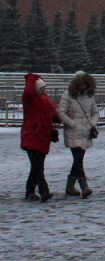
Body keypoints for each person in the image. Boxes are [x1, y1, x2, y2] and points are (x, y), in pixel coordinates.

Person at [58, 70, 99, 198]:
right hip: (73, 131)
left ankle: (70, 186)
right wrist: (73, 124)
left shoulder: (89, 96)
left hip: (86, 131)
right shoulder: (67, 96)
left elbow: (95, 112)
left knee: (78, 160)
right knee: (78, 159)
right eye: (80, 84)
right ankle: (84, 186)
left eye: (84, 84)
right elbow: (61, 113)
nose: (82, 87)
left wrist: (92, 123)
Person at [21, 73, 59, 202]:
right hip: (32, 136)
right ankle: (44, 191)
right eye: (41, 89)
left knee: (37, 166)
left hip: (43, 137)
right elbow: (27, 92)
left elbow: (53, 116)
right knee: (37, 166)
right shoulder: (30, 100)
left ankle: (30, 191)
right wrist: (30, 78)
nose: (44, 91)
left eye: (44, 88)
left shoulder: (47, 101)